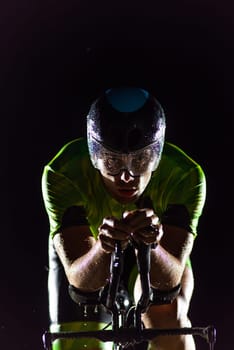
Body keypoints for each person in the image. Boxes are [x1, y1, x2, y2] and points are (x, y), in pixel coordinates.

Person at [41, 87, 206, 350]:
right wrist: (102, 247)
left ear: (157, 155)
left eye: (140, 160)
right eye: (112, 161)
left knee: (168, 321)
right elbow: (82, 285)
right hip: (86, 257)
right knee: (81, 339)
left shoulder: (185, 177)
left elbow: (168, 284)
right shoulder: (63, 173)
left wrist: (153, 246)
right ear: (95, 154)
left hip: (157, 255)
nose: (126, 176)